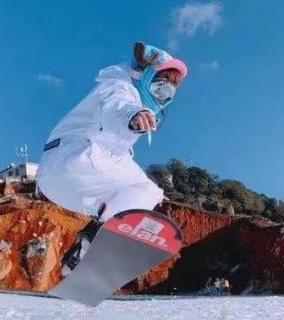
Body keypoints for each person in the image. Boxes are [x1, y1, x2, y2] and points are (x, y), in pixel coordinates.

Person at [38, 42, 188, 273]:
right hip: (76, 157)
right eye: (160, 87)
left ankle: (81, 255)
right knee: (146, 191)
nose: (163, 97)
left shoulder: (126, 95)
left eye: (170, 92)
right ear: (142, 76)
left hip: (61, 181)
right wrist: (133, 115)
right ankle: (96, 244)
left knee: (135, 193)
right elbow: (116, 108)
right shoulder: (120, 87)